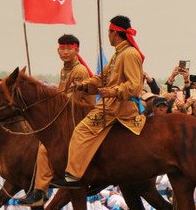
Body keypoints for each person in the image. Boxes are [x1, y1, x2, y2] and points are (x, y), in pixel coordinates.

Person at [51, 16, 146, 188]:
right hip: (110, 104)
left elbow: (135, 85)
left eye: (109, 32)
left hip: (119, 107)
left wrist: (112, 91)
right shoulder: (118, 54)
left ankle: (73, 176)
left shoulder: (130, 54)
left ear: (114, 33)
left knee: (81, 131)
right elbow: (102, 78)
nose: (108, 36)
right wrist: (82, 86)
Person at [22, 34, 94, 205]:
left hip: (80, 116)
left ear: (77, 50)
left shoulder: (79, 71)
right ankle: (42, 187)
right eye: (62, 48)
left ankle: (40, 190)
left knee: (45, 147)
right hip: (68, 116)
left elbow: (71, 101)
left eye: (69, 48)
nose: (65, 52)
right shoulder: (65, 70)